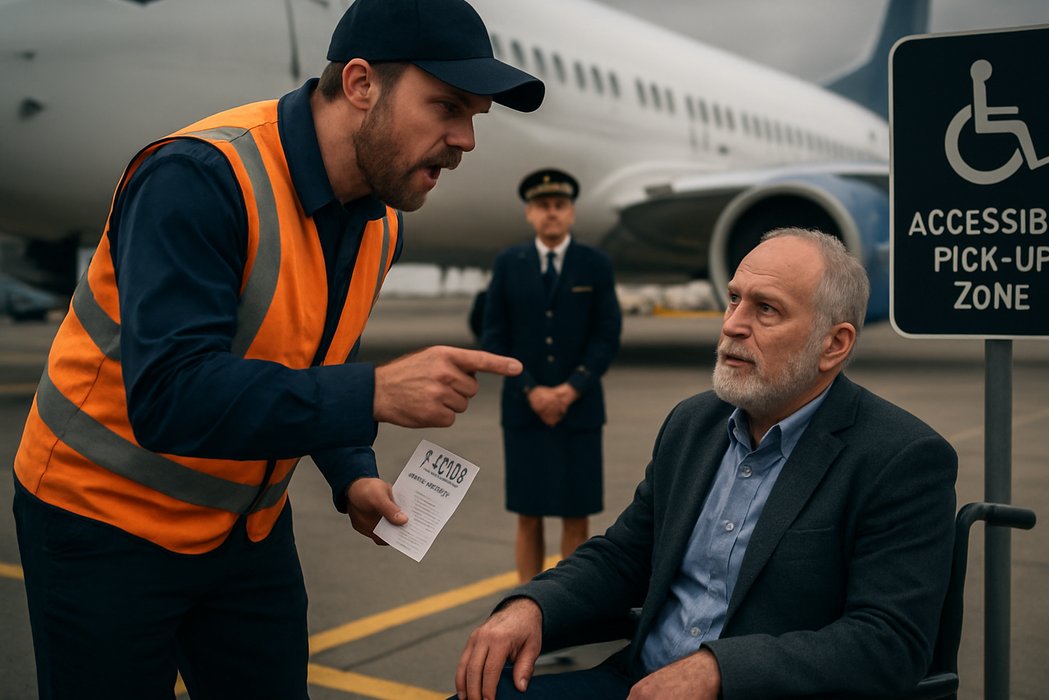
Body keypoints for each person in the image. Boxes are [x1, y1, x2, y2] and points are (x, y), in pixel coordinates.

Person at [11, 0, 544, 697]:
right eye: (446, 106)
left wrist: (351, 471)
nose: (466, 139)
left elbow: (310, 360)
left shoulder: (381, 225)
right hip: (103, 520)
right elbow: (169, 396)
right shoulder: (199, 177)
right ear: (360, 84)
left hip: (247, 528)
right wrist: (375, 394)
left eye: (475, 115)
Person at [454, 228, 959, 700]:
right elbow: (625, 555)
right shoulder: (694, 423)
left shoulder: (901, 458)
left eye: (766, 310)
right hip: (636, 680)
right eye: (735, 298)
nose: (732, 325)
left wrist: (719, 671)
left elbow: (888, 642)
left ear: (834, 344)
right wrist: (534, 605)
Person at [481, 168, 623, 584]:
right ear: (529, 214)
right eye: (543, 206)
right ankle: (523, 604)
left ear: (572, 213)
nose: (551, 214)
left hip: (579, 411)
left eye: (559, 206)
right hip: (524, 410)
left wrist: (570, 388)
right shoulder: (509, 264)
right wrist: (530, 389)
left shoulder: (594, 264)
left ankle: (566, 610)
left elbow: (607, 333)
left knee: (576, 515)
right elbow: (494, 334)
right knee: (528, 514)